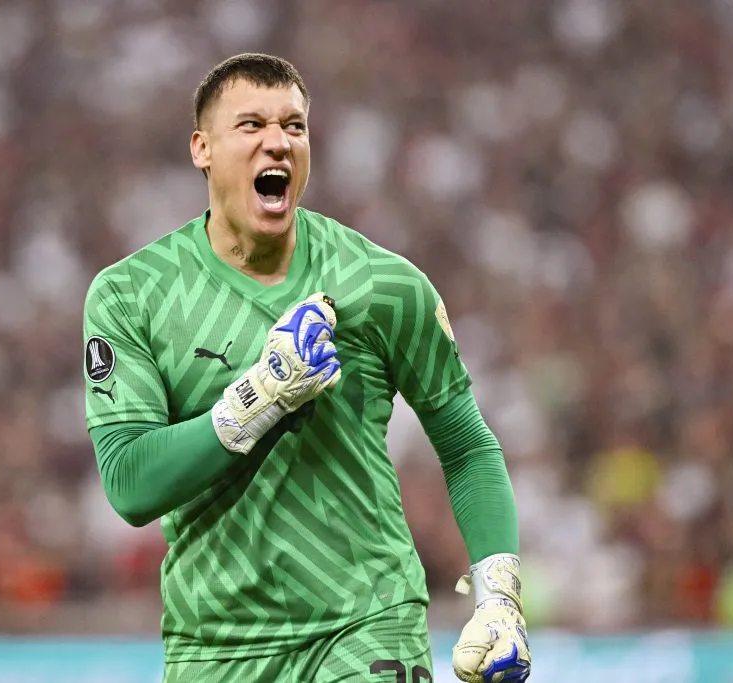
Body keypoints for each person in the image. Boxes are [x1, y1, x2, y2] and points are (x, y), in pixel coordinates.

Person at [83, 52, 531, 683]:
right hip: (217, 646)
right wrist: (259, 398)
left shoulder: (383, 285)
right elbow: (129, 485)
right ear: (201, 148)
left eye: (294, 126)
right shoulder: (133, 294)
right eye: (252, 125)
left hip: (367, 621)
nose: (278, 142)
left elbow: (466, 446)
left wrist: (499, 596)